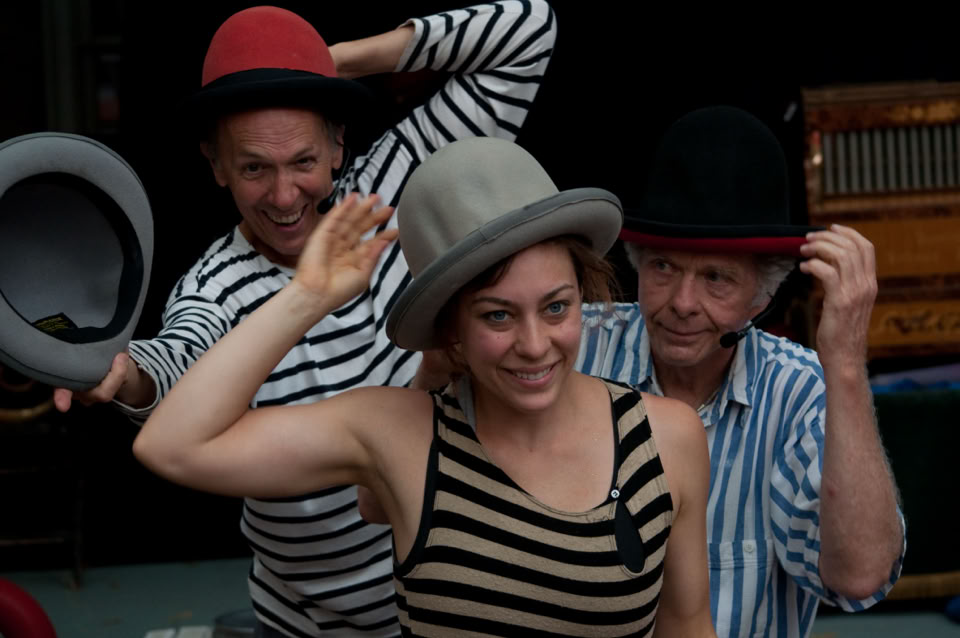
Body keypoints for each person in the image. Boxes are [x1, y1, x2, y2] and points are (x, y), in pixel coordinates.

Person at [53, 3, 557, 636]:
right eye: (254, 168)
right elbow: (172, 360)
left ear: (338, 143)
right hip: (313, 624)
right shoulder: (214, 287)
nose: (285, 195)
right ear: (216, 167)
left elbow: (528, 34)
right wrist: (124, 376)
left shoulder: (400, 183)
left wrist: (332, 62)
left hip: (458, 598)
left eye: (303, 161)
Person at [133, 136, 718, 637]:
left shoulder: (666, 438)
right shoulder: (401, 435)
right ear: (451, 330)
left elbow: (688, 628)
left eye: (557, 307)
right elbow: (173, 445)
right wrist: (307, 296)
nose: (536, 344)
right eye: (497, 315)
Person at [576, 106, 905, 638]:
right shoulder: (571, 348)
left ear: (762, 295)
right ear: (636, 262)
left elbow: (859, 577)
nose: (683, 303)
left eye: (716, 279)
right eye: (662, 266)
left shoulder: (799, 389)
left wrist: (844, 364)